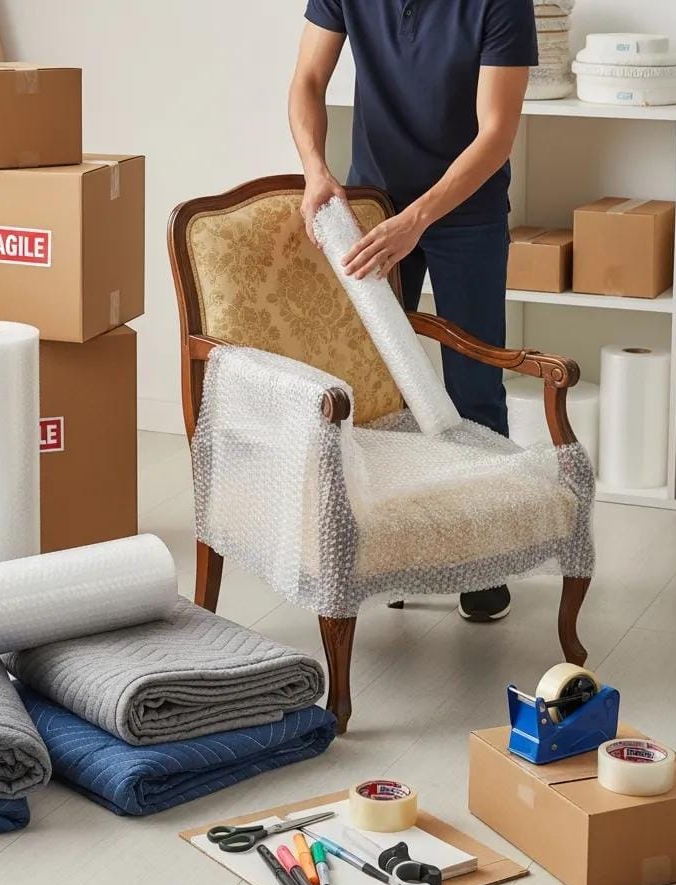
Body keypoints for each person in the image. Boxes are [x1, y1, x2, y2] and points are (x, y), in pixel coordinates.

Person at [289, 0, 537, 623]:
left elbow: (496, 133)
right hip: (371, 204)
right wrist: (316, 170)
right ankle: (397, 548)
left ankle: (483, 561)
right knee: (381, 387)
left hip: (467, 213)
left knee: (473, 385)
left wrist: (419, 218)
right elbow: (308, 80)